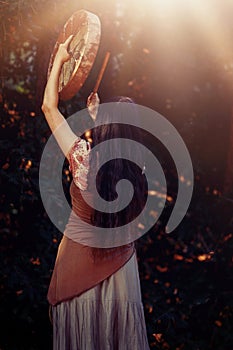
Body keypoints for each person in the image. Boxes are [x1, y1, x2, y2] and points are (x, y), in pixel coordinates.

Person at [42, 35, 150, 350]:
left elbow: (49, 107)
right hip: (122, 273)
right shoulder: (138, 168)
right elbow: (116, 139)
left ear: (102, 125)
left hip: (77, 265)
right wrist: (99, 117)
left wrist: (61, 60)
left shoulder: (83, 156)